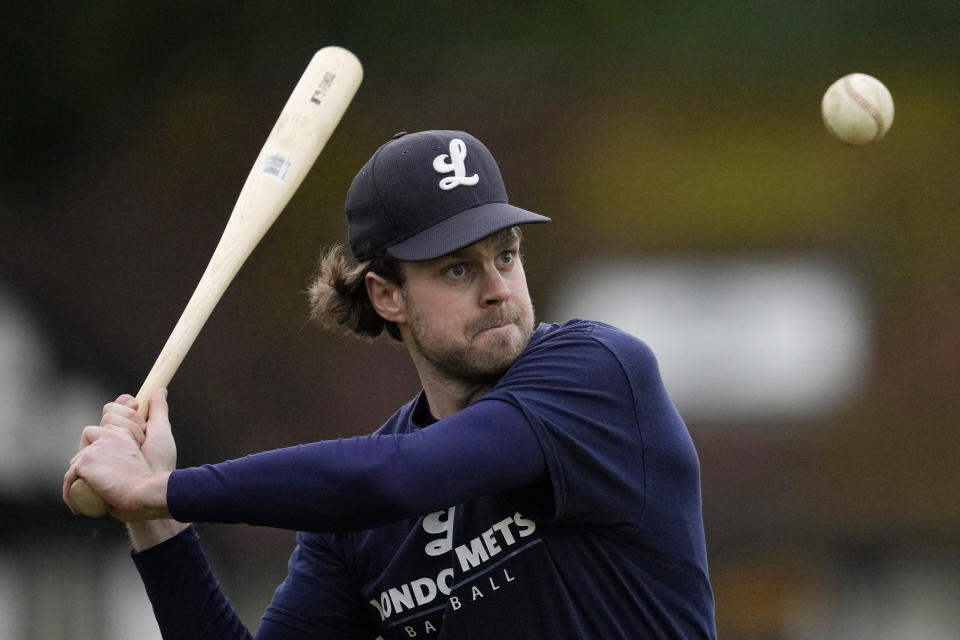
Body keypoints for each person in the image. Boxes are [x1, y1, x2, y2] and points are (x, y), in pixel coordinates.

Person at [63, 129, 716, 639]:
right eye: (457, 270)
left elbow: (396, 479)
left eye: (506, 255)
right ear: (387, 295)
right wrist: (156, 522)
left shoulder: (597, 376)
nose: (497, 290)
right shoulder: (354, 532)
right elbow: (384, 482)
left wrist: (161, 488)